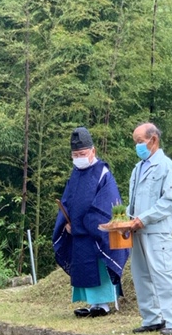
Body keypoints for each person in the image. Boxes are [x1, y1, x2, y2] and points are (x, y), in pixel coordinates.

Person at [52, 126, 129, 318]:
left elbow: (107, 201)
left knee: (99, 266)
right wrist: (66, 222)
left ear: (92, 151)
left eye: (82, 153)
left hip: (95, 232)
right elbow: (68, 200)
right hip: (77, 233)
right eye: (75, 154)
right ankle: (92, 303)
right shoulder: (75, 173)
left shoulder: (103, 172)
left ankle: (103, 304)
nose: (79, 157)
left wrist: (89, 222)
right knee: (83, 267)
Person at [127, 122, 172, 335]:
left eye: (140, 142)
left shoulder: (167, 167)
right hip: (136, 230)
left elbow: (169, 201)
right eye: (135, 143)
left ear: (153, 140)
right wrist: (125, 219)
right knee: (141, 275)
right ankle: (152, 318)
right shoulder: (137, 169)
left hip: (156, 230)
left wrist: (144, 218)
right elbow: (133, 201)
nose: (137, 147)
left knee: (163, 274)